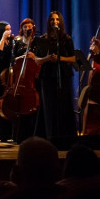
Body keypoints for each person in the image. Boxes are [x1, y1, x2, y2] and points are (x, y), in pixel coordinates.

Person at [35, 11, 78, 139]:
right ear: (49, 22)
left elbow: (73, 58)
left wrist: (60, 58)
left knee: (63, 105)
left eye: (57, 19)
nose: (55, 22)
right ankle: (49, 135)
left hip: (63, 75)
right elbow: (37, 60)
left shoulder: (66, 39)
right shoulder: (43, 39)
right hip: (47, 76)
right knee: (48, 106)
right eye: (52, 19)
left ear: (61, 22)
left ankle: (64, 136)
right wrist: (47, 58)